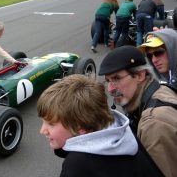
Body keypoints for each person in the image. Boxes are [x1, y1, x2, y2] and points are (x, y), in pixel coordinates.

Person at [37, 74, 164, 177]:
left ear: (80, 127)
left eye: (51, 124)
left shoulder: (78, 165)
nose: (42, 130)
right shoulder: (123, 132)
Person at [99, 45, 177, 177]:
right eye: (108, 81)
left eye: (117, 78)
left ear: (140, 75)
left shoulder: (153, 124)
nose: (110, 89)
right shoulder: (160, 89)